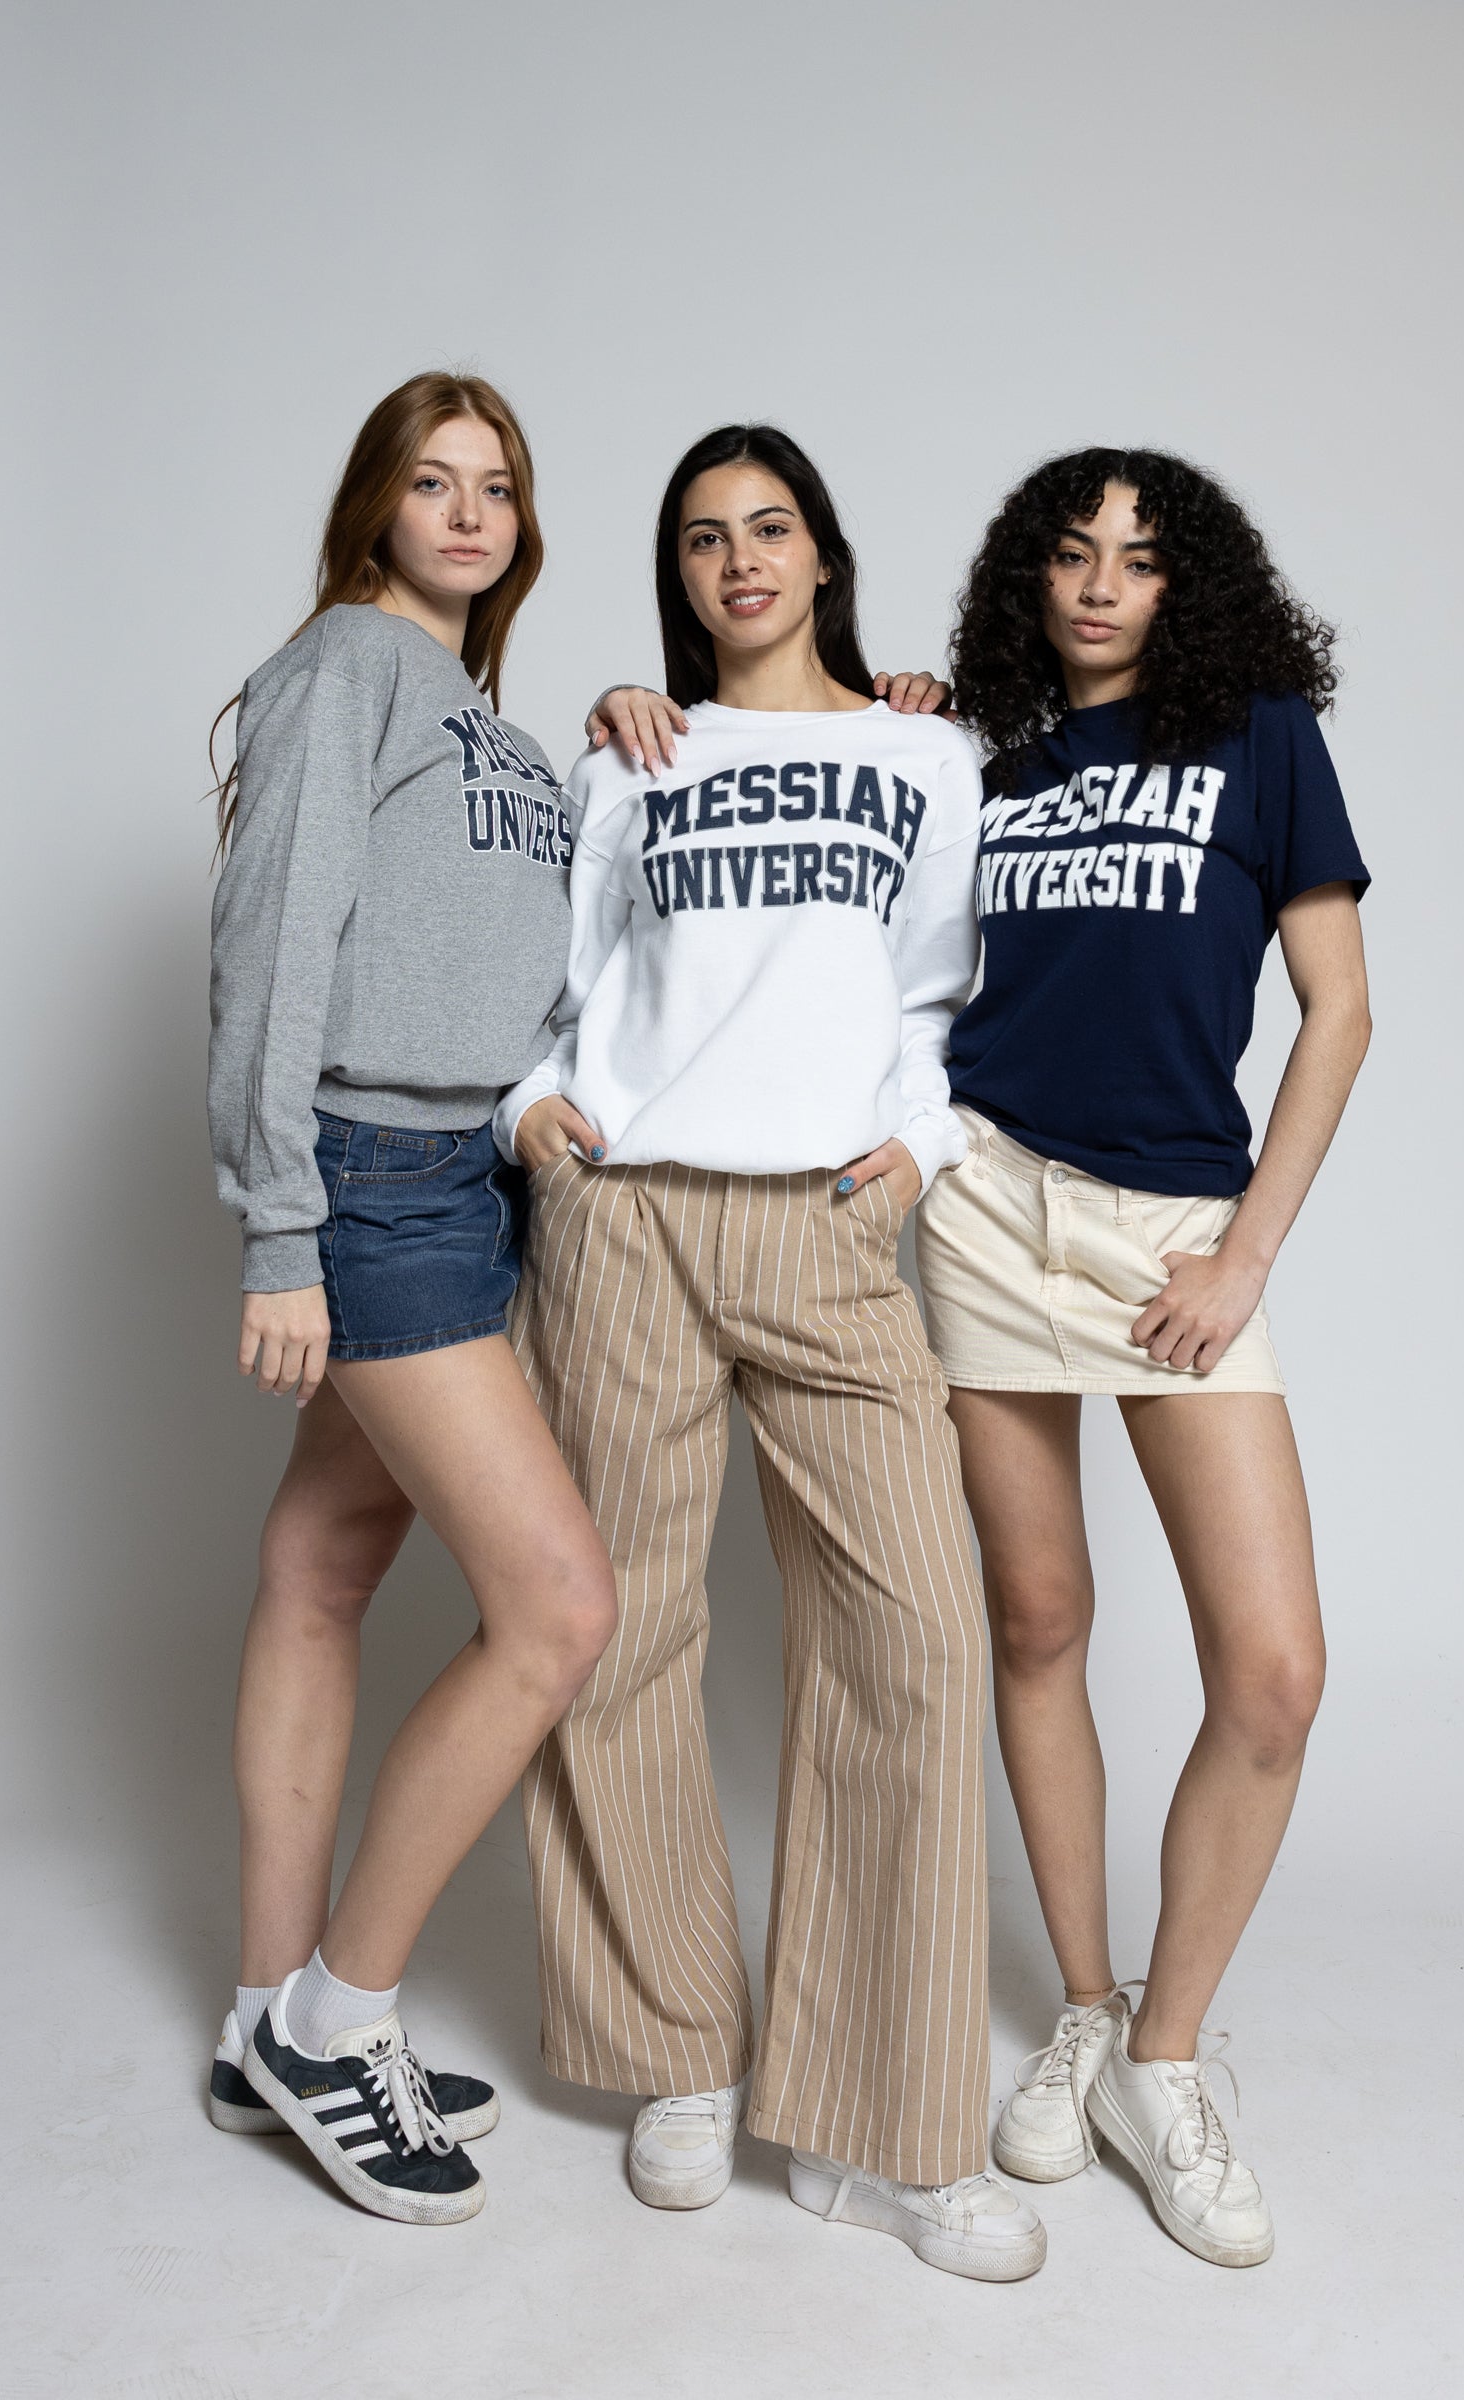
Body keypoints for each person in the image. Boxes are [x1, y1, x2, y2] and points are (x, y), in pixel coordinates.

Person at [495, 423, 1046, 2283]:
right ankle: (673, 2054)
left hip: (826, 1220)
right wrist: (531, 1120)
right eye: (705, 537)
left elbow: (941, 989)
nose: (740, 560)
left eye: (772, 528)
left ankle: (882, 2120)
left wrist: (926, 1146)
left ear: (823, 555)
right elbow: (562, 991)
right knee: (622, 1623)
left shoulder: (924, 750)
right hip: (628, 1215)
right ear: (680, 570)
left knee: (911, 1630)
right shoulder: (628, 755)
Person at [911, 447, 1372, 2268]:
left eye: (1142, 560)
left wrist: (1244, 1249)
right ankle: (1087, 2005)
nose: (1102, 584)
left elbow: (1341, 1011)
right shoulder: (980, 760)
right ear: (1034, 577)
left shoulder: (1261, 736)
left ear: (1196, 588)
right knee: (1037, 1625)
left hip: (1178, 1230)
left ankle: (1161, 2058)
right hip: (983, 1204)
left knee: (1271, 1672)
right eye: (1073, 555)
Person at [205, 370, 631, 2224]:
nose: (471, 514)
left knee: (320, 1576)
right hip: (369, 1185)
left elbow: (518, 953)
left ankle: (254, 2021)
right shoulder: (345, 673)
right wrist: (280, 1227)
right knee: (558, 1606)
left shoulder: (480, 718)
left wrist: (616, 739)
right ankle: (338, 2019)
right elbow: (274, 947)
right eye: (435, 482)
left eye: (501, 488)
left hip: (468, 1175)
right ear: (377, 503)